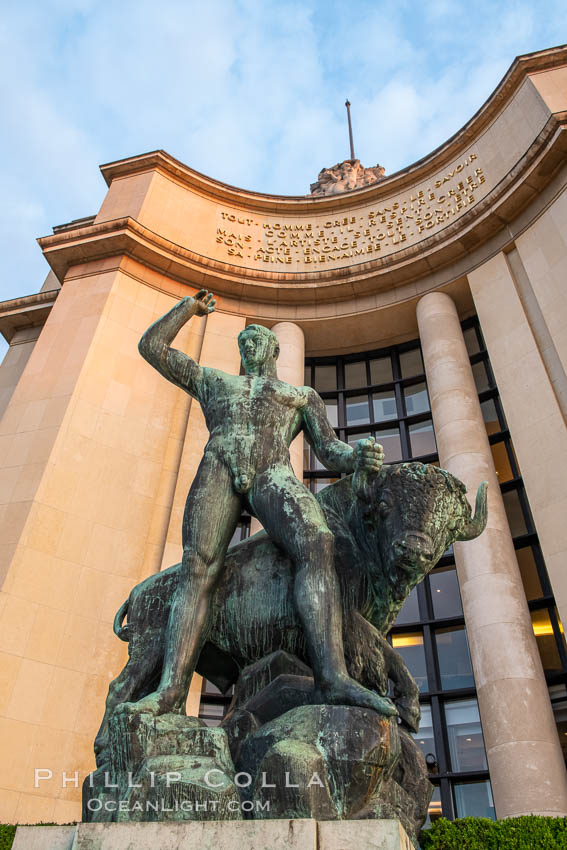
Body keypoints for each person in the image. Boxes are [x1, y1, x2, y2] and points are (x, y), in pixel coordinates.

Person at [131, 288, 396, 718]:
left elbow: (330, 452)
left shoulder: (299, 396)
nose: (248, 344)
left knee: (317, 540)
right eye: (243, 341)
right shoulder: (216, 382)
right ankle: (170, 692)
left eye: (256, 339)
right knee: (198, 568)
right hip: (219, 466)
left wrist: (359, 457)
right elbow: (152, 347)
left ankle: (333, 677)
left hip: (272, 472)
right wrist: (187, 309)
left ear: (274, 348)